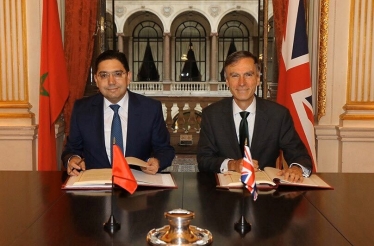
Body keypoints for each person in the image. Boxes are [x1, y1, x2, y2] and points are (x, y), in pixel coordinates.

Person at [197, 51, 312, 182]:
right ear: (227, 81)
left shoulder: (278, 115)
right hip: (222, 195)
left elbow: (300, 156)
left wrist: (297, 168)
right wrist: (232, 164)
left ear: (258, 79)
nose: (242, 83)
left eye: (248, 75)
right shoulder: (212, 115)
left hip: (265, 195)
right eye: (235, 76)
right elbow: (203, 160)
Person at [62, 50, 175, 176]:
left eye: (117, 74)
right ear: (96, 79)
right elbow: (72, 149)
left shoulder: (150, 108)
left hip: (138, 185)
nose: (111, 82)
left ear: (128, 77)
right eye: (104, 75)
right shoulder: (82, 109)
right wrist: (72, 159)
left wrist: (157, 161)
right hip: (95, 187)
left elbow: (164, 149)